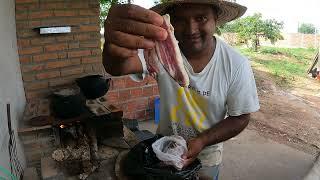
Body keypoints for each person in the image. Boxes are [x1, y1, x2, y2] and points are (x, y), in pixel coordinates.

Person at [103, 0, 260, 179]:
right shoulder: (160, 51)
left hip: (207, 156)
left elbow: (240, 117)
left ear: (215, 19)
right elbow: (117, 67)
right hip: (163, 148)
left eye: (201, 18)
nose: (191, 30)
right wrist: (111, 45)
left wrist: (202, 141)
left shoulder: (236, 64)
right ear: (170, 23)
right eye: (180, 20)